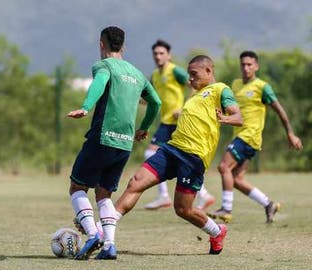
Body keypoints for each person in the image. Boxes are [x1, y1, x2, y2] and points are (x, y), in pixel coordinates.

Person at [101, 55, 243, 259]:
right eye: (189, 75)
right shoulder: (193, 97)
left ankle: (217, 232)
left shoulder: (221, 89)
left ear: (209, 72)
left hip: (194, 158)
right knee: (136, 182)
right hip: (171, 150)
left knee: (183, 209)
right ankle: (103, 231)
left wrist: (225, 118)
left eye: (194, 74)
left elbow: (239, 117)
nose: (190, 79)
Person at [67, 26, 161, 260]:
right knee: (104, 195)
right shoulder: (137, 74)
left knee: (77, 188)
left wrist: (87, 107)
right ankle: (109, 244)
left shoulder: (104, 66)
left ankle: (92, 235)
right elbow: (156, 102)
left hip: (102, 137)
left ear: (101, 44)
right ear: (124, 46)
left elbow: (100, 82)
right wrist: (144, 127)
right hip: (124, 144)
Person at [209, 51, 302, 224]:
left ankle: (226, 209)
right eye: (243, 64)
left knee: (223, 167)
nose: (246, 67)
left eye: (249, 64)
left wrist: (290, 133)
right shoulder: (236, 84)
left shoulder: (262, 87)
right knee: (235, 179)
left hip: (250, 136)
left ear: (256, 66)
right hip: (240, 135)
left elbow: (279, 110)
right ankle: (268, 204)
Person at [143, 39, 215, 211]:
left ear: (169, 55)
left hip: (179, 122)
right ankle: (203, 195)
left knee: (152, 152)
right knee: (169, 158)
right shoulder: (155, 75)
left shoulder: (175, 71)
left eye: (161, 53)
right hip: (166, 121)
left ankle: (165, 196)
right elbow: (151, 98)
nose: (158, 56)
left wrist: (184, 108)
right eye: (155, 53)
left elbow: (194, 84)